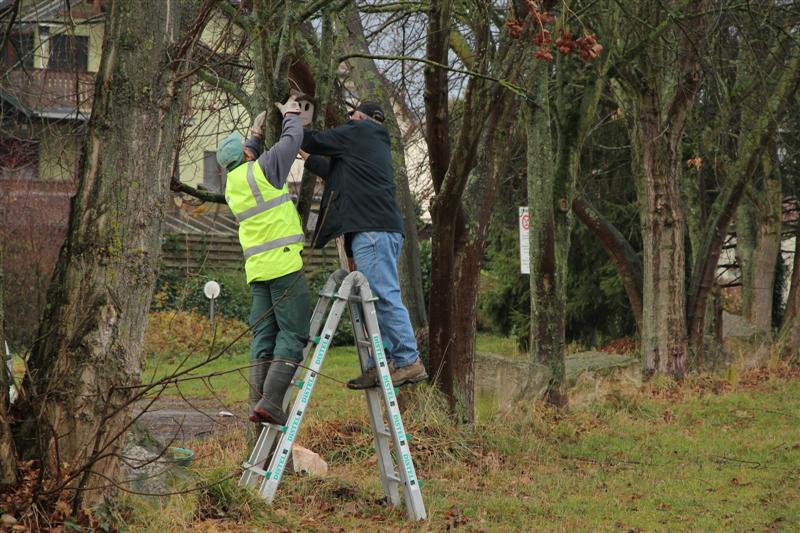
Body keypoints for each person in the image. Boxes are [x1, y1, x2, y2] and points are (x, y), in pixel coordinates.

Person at [300, 101, 428, 390]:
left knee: (382, 297)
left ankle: (408, 361)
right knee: (370, 302)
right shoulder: (366, 145)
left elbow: (315, 140)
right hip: (375, 232)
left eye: (352, 114)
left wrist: (292, 121)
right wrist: (304, 153)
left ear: (364, 118)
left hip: (373, 232)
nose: (348, 117)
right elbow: (332, 170)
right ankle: (377, 365)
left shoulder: (360, 131)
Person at [216, 95, 311, 425]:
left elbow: (247, 159)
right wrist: (290, 114)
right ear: (245, 156)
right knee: (293, 333)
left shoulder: (232, 185)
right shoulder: (265, 170)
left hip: (257, 272)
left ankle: (256, 402)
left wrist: (255, 137)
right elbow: (292, 139)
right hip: (284, 265)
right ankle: (271, 403)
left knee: (263, 338)